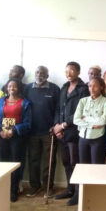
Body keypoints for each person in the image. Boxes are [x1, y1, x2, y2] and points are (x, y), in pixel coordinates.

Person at [53, 62, 89, 205]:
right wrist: (57, 126)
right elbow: (57, 109)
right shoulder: (64, 87)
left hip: (74, 131)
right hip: (61, 132)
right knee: (66, 162)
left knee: (75, 163)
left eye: (72, 71)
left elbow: (81, 112)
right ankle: (70, 189)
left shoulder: (83, 89)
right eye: (66, 71)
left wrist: (63, 125)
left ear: (78, 72)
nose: (68, 73)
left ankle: (78, 193)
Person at [0, 78, 32, 202]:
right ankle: (4, 189)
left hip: (18, 137)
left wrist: (13, 130)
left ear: (19, 88)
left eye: (14, 86)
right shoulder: (1, 101)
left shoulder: (25, 103)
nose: (11, 89)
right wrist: (0, 131)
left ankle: (14, 190)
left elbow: (28, 123)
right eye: (9, 86)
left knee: (16, 164)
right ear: (6, 88)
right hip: (2, 136)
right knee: (4, 163)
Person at [24, 66, 60, 198]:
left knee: (49, 161)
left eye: (43, 73)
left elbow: (58, 109)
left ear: (48, 75)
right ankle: (35, 186)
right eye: (37, 72)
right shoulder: (27, 88)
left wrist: (55, 124)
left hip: (48, 131)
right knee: (33, 160)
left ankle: (48, 187)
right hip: (32, 131)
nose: (40, 75)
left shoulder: (54, 88)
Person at [74, 76, 106, 164]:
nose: (92, 88)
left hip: (97, 139)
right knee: (84, 166)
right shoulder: (83, 101)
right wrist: (92, 125)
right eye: (90, 86)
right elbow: (76, 120)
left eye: (95, 86)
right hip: (83, 139)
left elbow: (103, 120)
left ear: (101, 87)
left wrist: (85, 118)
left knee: (96, 167)